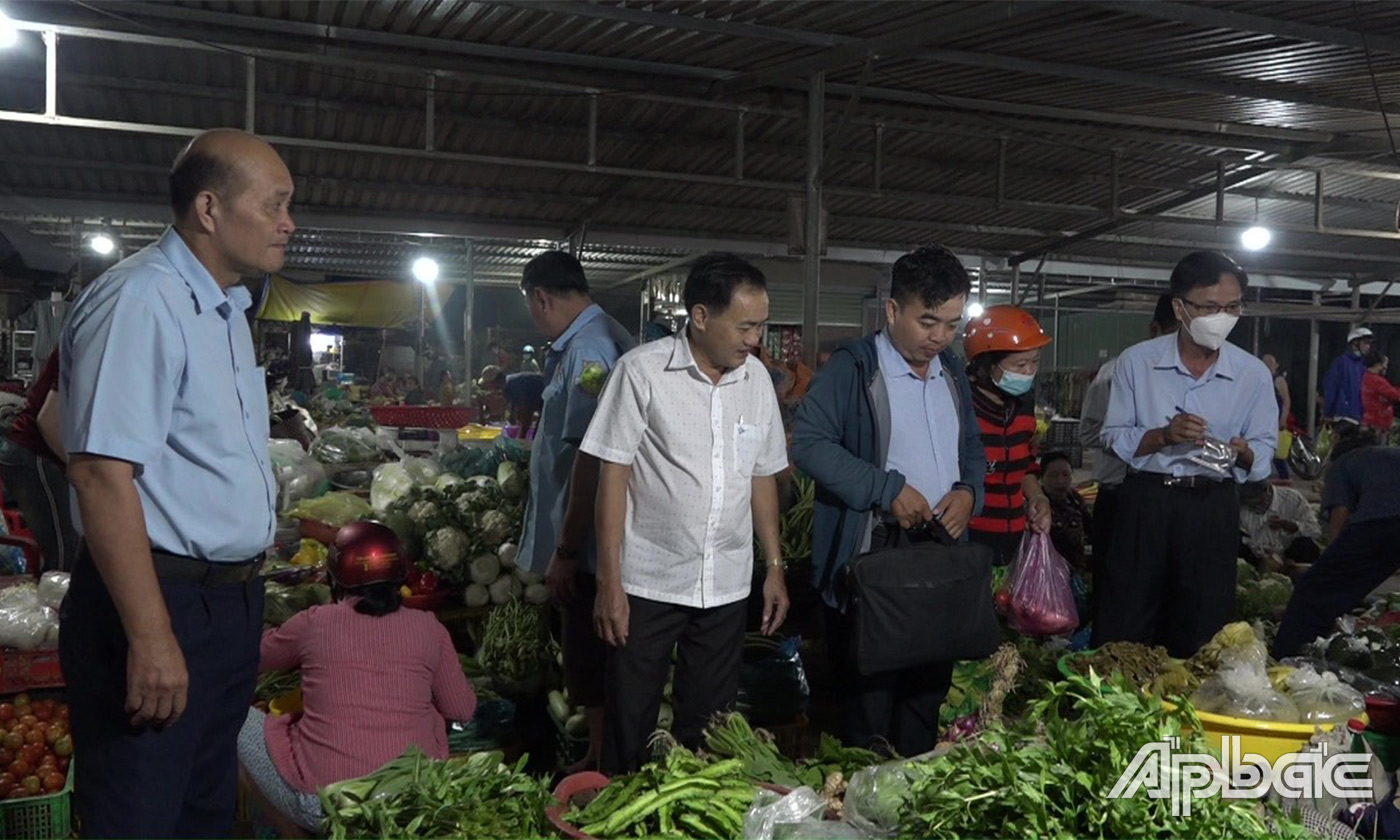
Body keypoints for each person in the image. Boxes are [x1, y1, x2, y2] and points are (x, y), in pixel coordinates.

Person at [58, 128, 291, 837]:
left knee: (202, 807)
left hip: (228, 603)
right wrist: (153, 637)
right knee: (140, 809)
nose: (289, 223)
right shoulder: (142, 301)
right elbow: (100, 474)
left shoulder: (221, 309)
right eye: (275, 205)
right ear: (210, 209)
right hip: (161, 602)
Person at [581, 254, 790, 773]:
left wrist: (776, 567)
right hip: (648, 582)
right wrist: (610, 582)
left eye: (760, 325)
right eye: (745, 326)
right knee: (631, 724)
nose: (754, 339)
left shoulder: (757, 380)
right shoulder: (642, 372)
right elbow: (612, 477)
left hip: (724, 584)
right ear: (700, 316)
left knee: (709, 728)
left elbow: (762, 475)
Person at [791, 243, 986, 756]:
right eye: (928, 322)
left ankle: (913, 807)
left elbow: (969, 446)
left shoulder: (951, 372)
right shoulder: (855, 370)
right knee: (868, 705)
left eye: (951, 323)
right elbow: (809, 444)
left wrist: (970, 490)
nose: (940, 337)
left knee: (926, 695)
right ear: (893, 311)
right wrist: (887, 489)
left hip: (938, 554)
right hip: (875, 557)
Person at [1096, 251, 1277, 658]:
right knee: (1126, 617)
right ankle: (1117, 705)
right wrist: (1162, 435)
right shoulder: (1137, 363)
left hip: (1211, 507)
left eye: (1232, 307)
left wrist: (1247, 455)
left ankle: (1192, 712)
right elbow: (1114, 436)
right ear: (1180, 308)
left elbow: (1265, 445)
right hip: (1147, 501)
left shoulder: (1252, 374)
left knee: (1203, 625)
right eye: (1210, 307)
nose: (1223, 317)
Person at [237, 522, 476, 830]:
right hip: (413, 804)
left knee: (234, 719)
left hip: (325, 805)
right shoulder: (430, 628)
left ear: (335, 579)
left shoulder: (315, 623)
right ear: (401, 575)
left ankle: (293, 835)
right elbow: (462, 709)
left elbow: (252, 656)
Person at [516, 251, 635, 773]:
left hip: (587, 546)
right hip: (587, 539)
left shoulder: (591, 349)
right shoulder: (595, 336)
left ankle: (601, 760)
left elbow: (595, 460)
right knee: (592, 649)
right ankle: (599, 753)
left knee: (590, 648)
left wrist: (566, 550)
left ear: (541, 298)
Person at [1272, 427, 1397, 657]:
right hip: (1388, 521)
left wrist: (1324, 567)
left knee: (1312, 590)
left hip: (1385, 521)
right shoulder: (1386, 455)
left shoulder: (1341, 465)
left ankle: (1286, 659)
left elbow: (1339, 521)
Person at [1078, 295, 1177, 571]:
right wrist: (1138, 438)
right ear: (1154, 329)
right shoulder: (1116, 372)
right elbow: (1087, 433)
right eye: (1172, 338)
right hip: (1120, 498)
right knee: (1114, 584)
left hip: (1174, 503)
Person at [963, 305, 1054, 565]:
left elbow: (1025, 467)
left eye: (1034, 362)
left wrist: (1037, 497)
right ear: (985, 365)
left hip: (1014, 545)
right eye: (1020, 364)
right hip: (969, 547)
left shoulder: (1023, 407)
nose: (1029, 372)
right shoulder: (962, 410)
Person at [0, 348, 78, 572]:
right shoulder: (89, 343)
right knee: (64, 558)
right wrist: (76, 469)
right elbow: (48, 420)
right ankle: (58, 605)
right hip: (34, 451)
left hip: (39, 448)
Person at [1238, 480, 1321, 572]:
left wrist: (1292, 526)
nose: (1249, 503)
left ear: (1267, 490)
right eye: (1246, 499)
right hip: (1258, 560)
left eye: (1253, 498)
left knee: (1306, 545)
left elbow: (1315, 530)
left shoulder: (1293, 499)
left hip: (1293, 559)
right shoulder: (1239, 506)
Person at [1040, 451, 1092, 576]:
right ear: (1041, 477)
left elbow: (1090, 530)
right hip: (1045, 572)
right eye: (1054, 475)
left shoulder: (1076, 500)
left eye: (1065, 474)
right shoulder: (1037, 504)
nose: (1060, 480)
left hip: (1076, 570)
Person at [1324, 326, 1374, 425]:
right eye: (1365, 343)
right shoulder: (1341, 362)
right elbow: (1330, 387)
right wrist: (1328, 413)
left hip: (1358, 417)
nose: (1368, 347)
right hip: (1343, 415)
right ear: (1355, 343)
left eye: (1369, 343)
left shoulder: (1362, 365)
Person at [1360, 350, 1400, 436]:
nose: (1386, 367)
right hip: (1378, 423)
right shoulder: (1377, 381)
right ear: (1378, 364)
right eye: (1385, 364)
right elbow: (1395, 395)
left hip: (1370, 421)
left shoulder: (1367, 377)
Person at [504, 370, 547, 436]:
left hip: (547, 399)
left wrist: (522, 435)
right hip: (542, 399)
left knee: (538, 435)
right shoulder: (510, 383)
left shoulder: (513, 385)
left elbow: (527, 411)